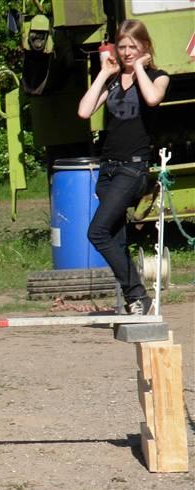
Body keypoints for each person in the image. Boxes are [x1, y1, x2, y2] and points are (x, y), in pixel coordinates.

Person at [77, 19, 169, 315]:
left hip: (133, 169)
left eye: (133, 46)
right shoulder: (114, 79)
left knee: (97, 232)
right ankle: (136, 300)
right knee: (114, 238)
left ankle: (138, 294)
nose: (127, 52)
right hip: (108, 170)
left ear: (144, 47)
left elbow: (153, 99)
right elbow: (84, 111)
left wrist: (140, 68)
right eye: (123, 46)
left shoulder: (158, 76)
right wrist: (103, 73)